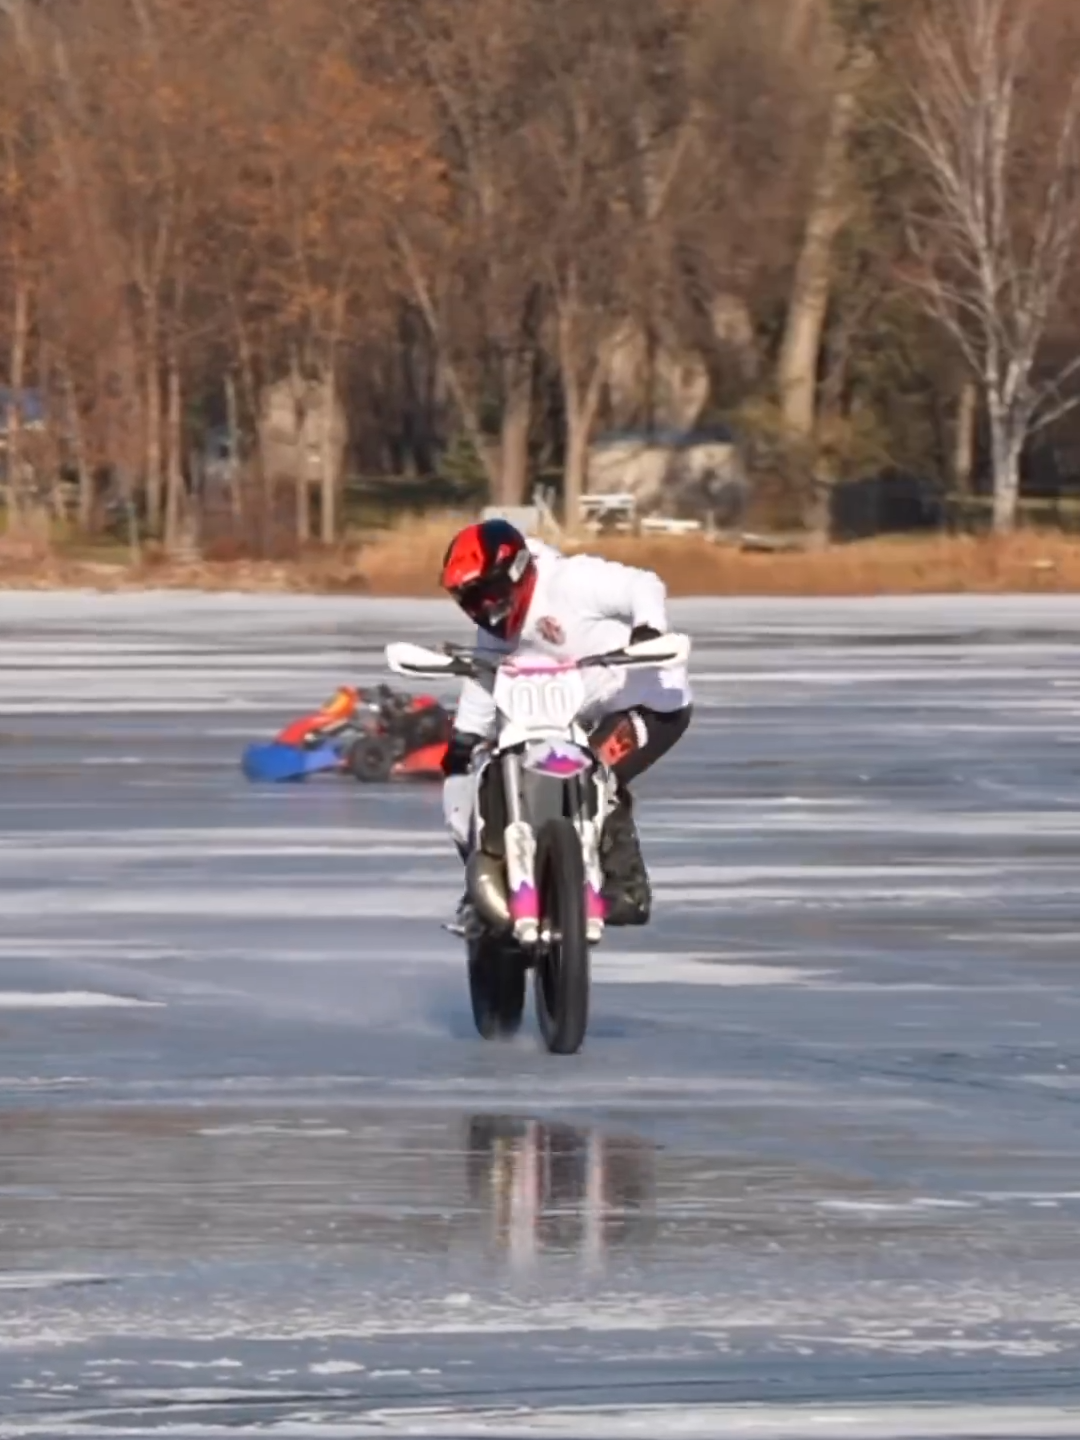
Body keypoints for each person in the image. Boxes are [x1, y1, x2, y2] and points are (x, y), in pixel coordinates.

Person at [439, 517, 692, 928]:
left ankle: (625, 884)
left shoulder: (569, 582)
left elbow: (643, 584)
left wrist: (648, 630)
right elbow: (485, 675)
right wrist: (464, 741)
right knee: (488, 771)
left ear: (517, 572)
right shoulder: (496, 623)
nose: (483, 608)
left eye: (488, 593)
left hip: (648, 701)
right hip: (570, 707)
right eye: (470, 599)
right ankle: (488, 885)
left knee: (594, 772)